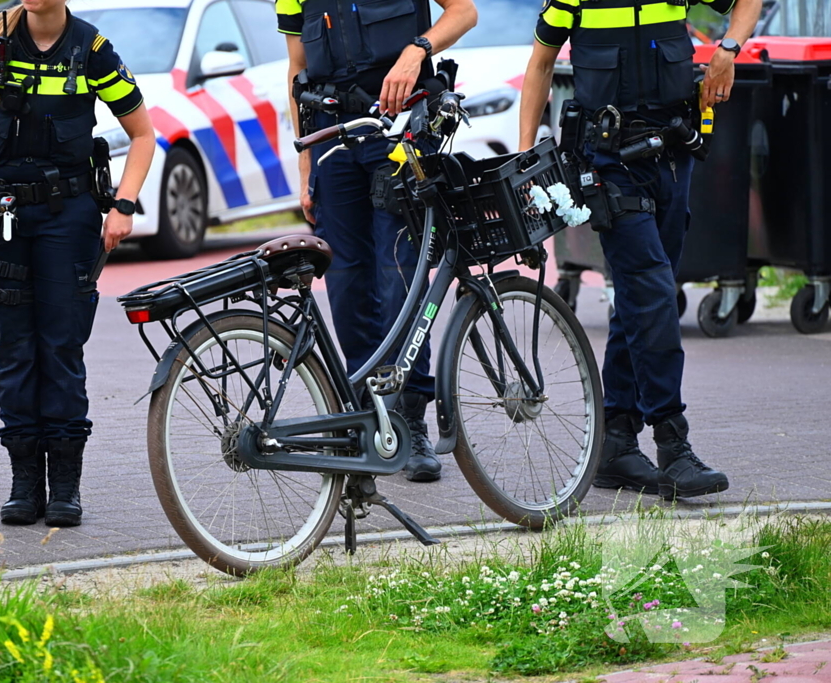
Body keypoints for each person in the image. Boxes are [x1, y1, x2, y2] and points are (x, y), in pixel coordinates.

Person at [0, 0, 155, 527]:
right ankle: (24, 483)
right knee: (15, 352)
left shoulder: (91, 49)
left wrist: (122, 205)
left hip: (66, 218)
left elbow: (143, 134)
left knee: (60, 347)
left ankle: (66, 488)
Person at [519, 0, 760, 498]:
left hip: (673, 155)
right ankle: (673, 444)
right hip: (608, 163)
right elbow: (541, 63)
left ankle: (616, 444)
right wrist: (527, 159)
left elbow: (747, 2)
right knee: (650, 290)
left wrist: (727, 50)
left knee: (642, 297)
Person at [277, 0, 477, 482]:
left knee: (400, 274)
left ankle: (410, 420)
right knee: (346, 281)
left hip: (401, 130)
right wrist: (304, 163)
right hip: (331, 138)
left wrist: (418, 49)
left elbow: (465, 12)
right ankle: (367, 418)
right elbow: (298, 68)